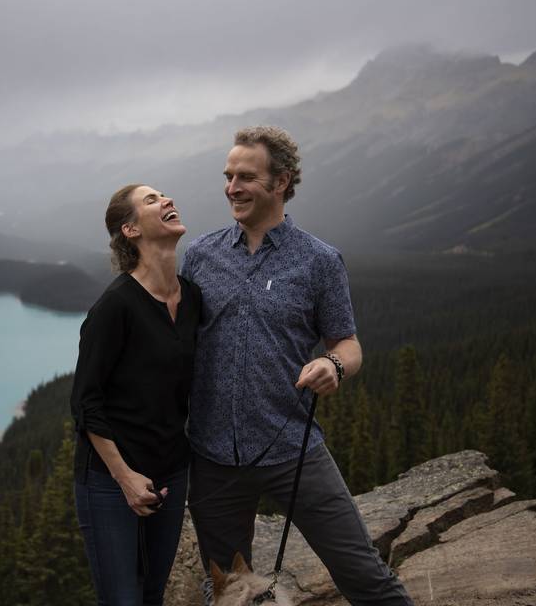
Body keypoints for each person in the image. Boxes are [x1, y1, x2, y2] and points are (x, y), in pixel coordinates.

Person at [180, 126, 414, 605]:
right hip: (212, 457)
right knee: (225, 590)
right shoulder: (201, 255)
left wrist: (333, 365)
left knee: (364, 575)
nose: (232, 187)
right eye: (228, 176)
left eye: (246, 176)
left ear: (281, 181)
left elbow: (347, 344)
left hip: (291, 447)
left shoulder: (318, 261)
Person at [71, 184, 202, 606]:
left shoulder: (192, 297)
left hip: (169, 470)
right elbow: (85, 402)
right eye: (152, 200)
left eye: (165, 195)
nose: (167, 200)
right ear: (130, 230)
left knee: (151, 595)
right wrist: (124, 477)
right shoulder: (115, 306)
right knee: (123, 600)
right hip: (109, 481)